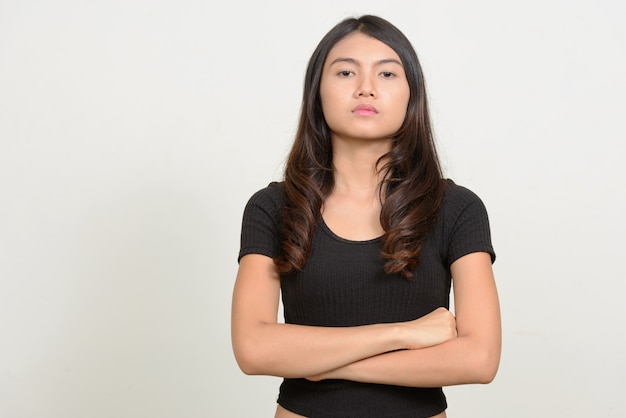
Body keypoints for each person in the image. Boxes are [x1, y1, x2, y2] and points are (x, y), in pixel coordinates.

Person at [231, 15, 501, 418]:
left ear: (412, 95)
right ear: (316, 93)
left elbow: (479, 359)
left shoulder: (456, 208)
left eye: (387, 73)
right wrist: (404, 334)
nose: (366, 87)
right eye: (345, 71)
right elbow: (253, 349)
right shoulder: (272, 208)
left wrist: (325, 363)